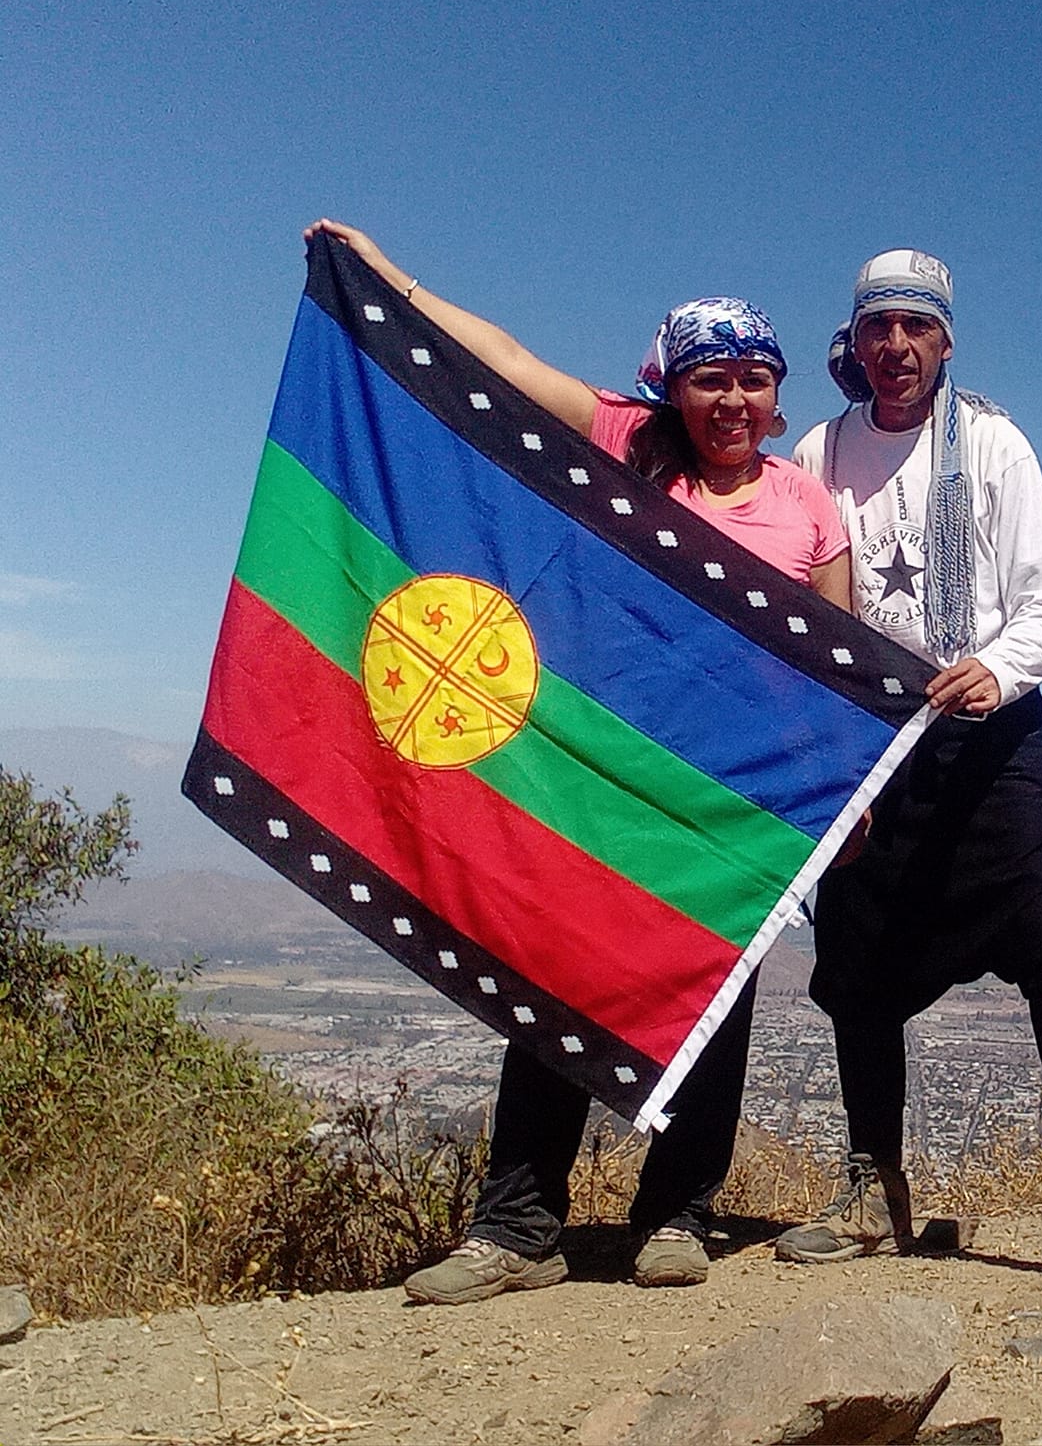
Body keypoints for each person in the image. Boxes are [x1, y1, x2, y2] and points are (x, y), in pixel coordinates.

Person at [300, 221, 851, 1303]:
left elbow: (835, 661)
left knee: (712, 999)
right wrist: (388, 277)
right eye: (709, 381)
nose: (732, 402)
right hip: (601, 777)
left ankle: (678, 1216)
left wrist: (845, 787)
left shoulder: (805, 505)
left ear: (774, 394)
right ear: (671, 388)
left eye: (751, 381)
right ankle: (517, 1229)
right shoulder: (620, 440)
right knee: (551, 978)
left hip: (730, 800)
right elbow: (502, 362)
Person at [778, 249, 1042, 1280]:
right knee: (857, 966)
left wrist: (995, 667)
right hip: (874, 747)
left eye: (915, 328)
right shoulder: (818, 452)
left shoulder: (991, 444)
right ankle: (868, 1188)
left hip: (992, 742)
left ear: (944, 339)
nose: (896, 346)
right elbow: (805, 602)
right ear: (854, 339)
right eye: (878, 327)